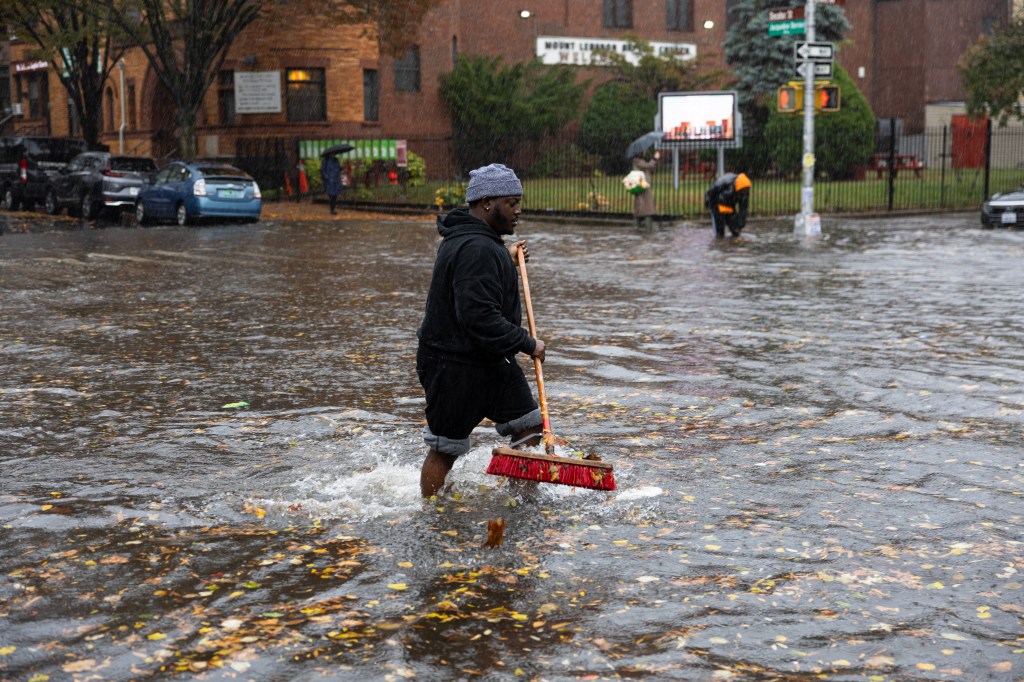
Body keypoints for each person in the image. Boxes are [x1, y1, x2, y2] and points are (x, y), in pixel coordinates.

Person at [416, 163, 545, 498]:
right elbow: (479, 318)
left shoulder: (476, 242)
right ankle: (431, 513)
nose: (518, 210)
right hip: (454, 366)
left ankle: (522, 501)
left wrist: (506, 257)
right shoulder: (477, 248)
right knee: (445, 448)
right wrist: (528, 343)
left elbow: (479, 278)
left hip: (489, 362)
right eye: (511, 203)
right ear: (487, 202)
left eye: (519, 202)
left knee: (530, 424)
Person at [705, 172, 752, 238]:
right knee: (720, 231)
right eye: (743, 190)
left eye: (746, 190)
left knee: (735, 229)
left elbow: (743, 210)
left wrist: (740, 225)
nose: (745, 192)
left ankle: (733, 241)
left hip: (730, 206)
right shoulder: (725, 182)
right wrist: (707, 204)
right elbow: (711, 191)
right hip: (717, 205)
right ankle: (719, 241)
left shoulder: (745, 194)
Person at [631, 150, 659, 232]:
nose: (645, 152)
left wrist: (654, 162)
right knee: (645, 208)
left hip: (644, 186)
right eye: (644, 151)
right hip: (642, 186)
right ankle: (644, 228)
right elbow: (648, 166)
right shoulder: (637, 161)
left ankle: (638, 227)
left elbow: (650, 168)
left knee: (642, 207)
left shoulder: (641, 161)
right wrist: (655, 158)